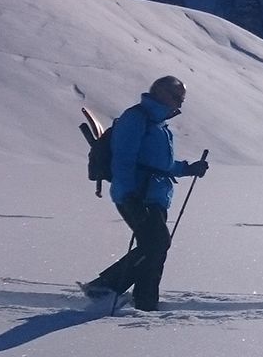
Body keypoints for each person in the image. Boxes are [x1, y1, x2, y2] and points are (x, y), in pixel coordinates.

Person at [81, 76, 208, 311]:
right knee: (156, 243)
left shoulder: (158, 124)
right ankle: (104, 286)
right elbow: (123, 159)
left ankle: (146, 303)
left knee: (156, 247)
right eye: (176, 97)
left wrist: (189, 168)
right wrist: (130, 193)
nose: (179, 104)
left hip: (155, 195)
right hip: (136, 194)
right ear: (160, 92)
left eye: (182, 99)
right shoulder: (136, 118)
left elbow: (161, 164)